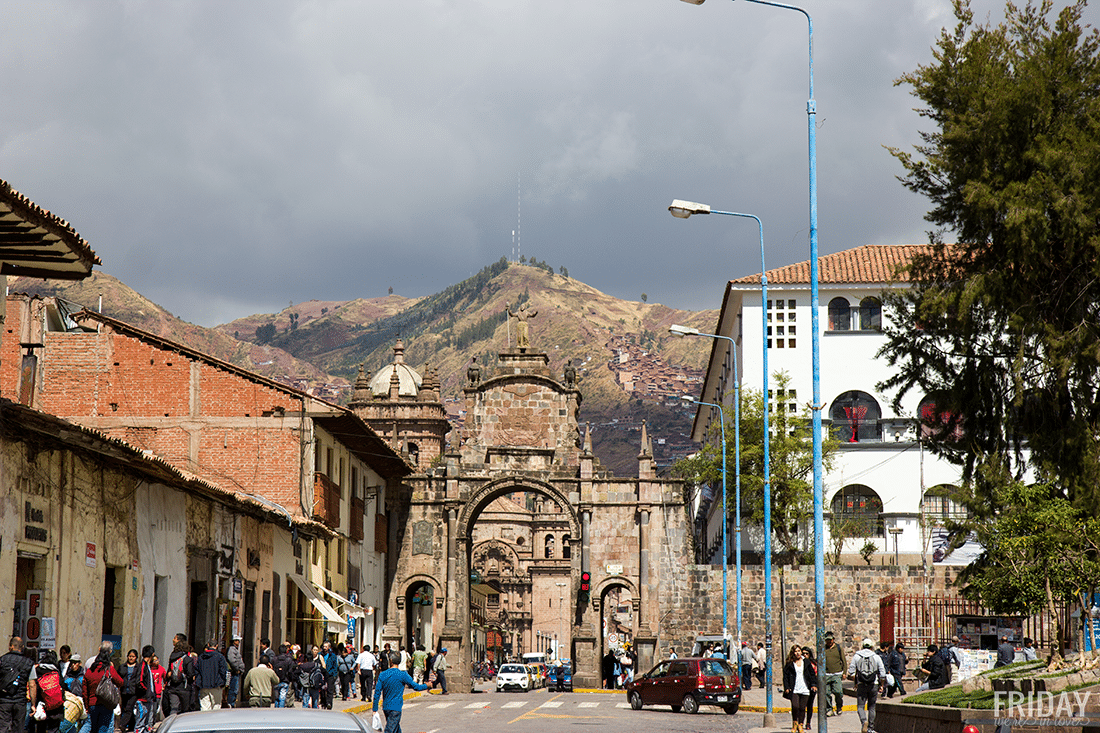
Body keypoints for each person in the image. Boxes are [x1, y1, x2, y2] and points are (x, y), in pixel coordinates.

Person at [372, 651, 428, 733]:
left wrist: (375, 709)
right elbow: (416, 687)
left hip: (386, 707)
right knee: (390, 730)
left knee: (395, 728)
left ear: (390, 660)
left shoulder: (383, 674)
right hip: (396, 708)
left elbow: (377, 693)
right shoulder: (403, 675)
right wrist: (426, 685)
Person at [82, 642, 125, 733]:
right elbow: (120, 682)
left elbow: (85, 691)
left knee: (93, 728)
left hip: (92, 704)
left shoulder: (90, 671)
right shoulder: (109, 669)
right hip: (106, 703)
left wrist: (87, 706)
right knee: (104, 728)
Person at [846, 638, 885, 733]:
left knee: (860, 706)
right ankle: (870, 728)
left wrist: (855, 682)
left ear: (862, 646)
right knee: (872, 707)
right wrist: (882, 685)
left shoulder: (857, 656)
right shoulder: (876, 656)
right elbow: (883, 674)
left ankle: (864, 722)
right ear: (872, 647)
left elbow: (851, 672)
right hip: (873, 684)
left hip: (861, 684)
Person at [0, 636, 33, 733]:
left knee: (3, 727)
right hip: (20, 701)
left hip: (4, 700)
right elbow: (32, 685)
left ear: (10, 647)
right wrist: (33, 704)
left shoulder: (2, 660)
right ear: (22, 648)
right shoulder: (29, 663)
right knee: (18, 728)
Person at [28, 649, 65, 733]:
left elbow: (34, 687)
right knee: (54, 729)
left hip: (42, 706)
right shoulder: (56, 671)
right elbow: (62, 686)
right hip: (56, 707)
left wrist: (34, 704)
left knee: (40, 728)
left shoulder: (37, 670)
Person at [782, 645, 815, 733]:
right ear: (793, 653)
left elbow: (812, 674)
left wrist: (813, 684)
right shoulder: (790, 663)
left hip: (805, 688)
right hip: (794, 688)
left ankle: (800, 724)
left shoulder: (806, 662)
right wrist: (787, 687)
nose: (798, 653)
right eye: (796, 651)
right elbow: (785, 676)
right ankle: (795, 723)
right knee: (795, 706)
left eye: (799, 651)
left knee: (802, 708)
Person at [163, 639, 194, 716]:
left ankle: (172, 723)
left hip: (172, 687)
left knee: (174, 708)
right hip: (184, 687)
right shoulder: (188, 659)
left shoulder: (172, 658)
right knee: (185, 710)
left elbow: (169, 672)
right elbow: (190, 674)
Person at [195, 639, 228, 711]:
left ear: (208, 645)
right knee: (216, 706)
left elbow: (197, 671)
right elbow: (223, 671)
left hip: (203, 685)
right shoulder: (220, 657)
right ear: (216, 646)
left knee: (204, 707)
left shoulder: (201, 657)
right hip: (216, 685)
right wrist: (223, 682)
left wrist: (198, 682)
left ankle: (205, 721)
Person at [114, 649, 141, 732]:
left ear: (136, 657)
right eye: (130, 656)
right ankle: (131, 726)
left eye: (133, 657)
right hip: (124, 690)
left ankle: (122, 724)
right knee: (125, 708)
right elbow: (118, 676)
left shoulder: (138, 667)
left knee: (129, 708)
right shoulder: (122, 667)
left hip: (134, 691)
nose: (131, 658)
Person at [134, 647, 158, 733]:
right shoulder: (143, 666)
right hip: (142, 699)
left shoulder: (147, 666)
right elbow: (139, 682)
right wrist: (146, 691)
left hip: (148, 699)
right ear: (152, 654)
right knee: (140, 722)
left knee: (147, 723)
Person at [822, 631, 845, 717]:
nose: (829, 642)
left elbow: (843, 661)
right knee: (826, 693)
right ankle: (829, 709)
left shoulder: (838, 648)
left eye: (830, 640)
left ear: (833, 639)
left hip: (837, 673)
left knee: (838, 692)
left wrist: (844, 672)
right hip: (827, 674)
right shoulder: (823, 649)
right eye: (827, 640)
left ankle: (839, 706)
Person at [270, 644, 295, 709]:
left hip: (276, 681)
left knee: (276, 697)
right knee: (282, 697)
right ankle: (281, 709)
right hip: (285, 681)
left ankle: (276, 708)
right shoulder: (289, 660)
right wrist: (290, 679)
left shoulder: (274, 659)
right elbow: (290, 671)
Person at [801, 646, 818, 731]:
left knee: (810, 705)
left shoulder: (813, 663)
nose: (805, 655)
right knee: (802, 706)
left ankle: (808, 722)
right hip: (803, 685)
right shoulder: (800, 662)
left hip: (812, 685)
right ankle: (800, 722)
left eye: (806, 653)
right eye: (803, 653)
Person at [225, 637, 245, 708]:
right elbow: (232, 660)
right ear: (234, 641)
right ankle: (231, 703)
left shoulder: (235, 650)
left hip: (236, 673)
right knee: (233, 689)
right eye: (237, 641)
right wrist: (237, 669)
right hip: (234, 673)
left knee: (235, 689)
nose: (239, 642)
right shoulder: (232, 649)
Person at [320, 642, 338, 709]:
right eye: (324, 646)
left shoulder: (332, 656)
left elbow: (335, 666)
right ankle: (323, 703)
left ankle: (329, 703)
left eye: (326, 646)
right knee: (322, 690)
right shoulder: (320, 655)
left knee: (330, 690)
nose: (324, 648)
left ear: (329, 647)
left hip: (330, 675)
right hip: (322, 674)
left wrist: (334, 676)